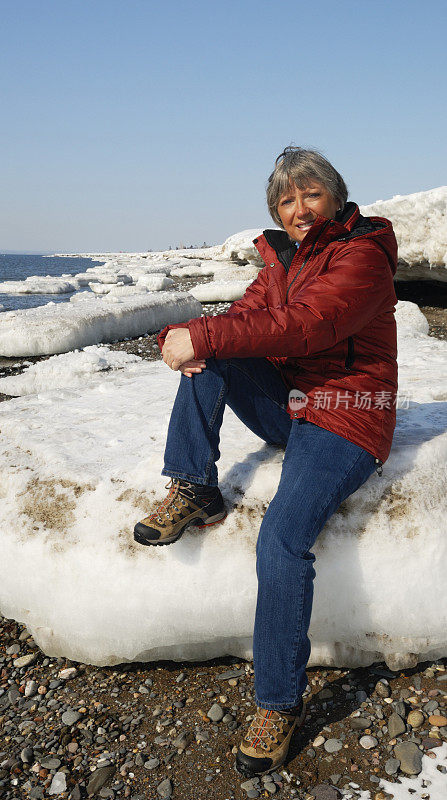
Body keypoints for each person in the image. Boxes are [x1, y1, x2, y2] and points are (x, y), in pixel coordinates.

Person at [133, 146, 398, 776]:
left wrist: (204, 336)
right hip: (294, 404)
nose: (299, 209)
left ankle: (278, 702)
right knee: (214, 349)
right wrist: (188, 337)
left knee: (281, 537)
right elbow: (248, 317)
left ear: (335, 196)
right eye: (286, 200)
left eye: (310, 195)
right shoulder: (281, 258)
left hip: (347, 413)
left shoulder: (360, 256)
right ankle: (194, 486)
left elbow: (307, 326)